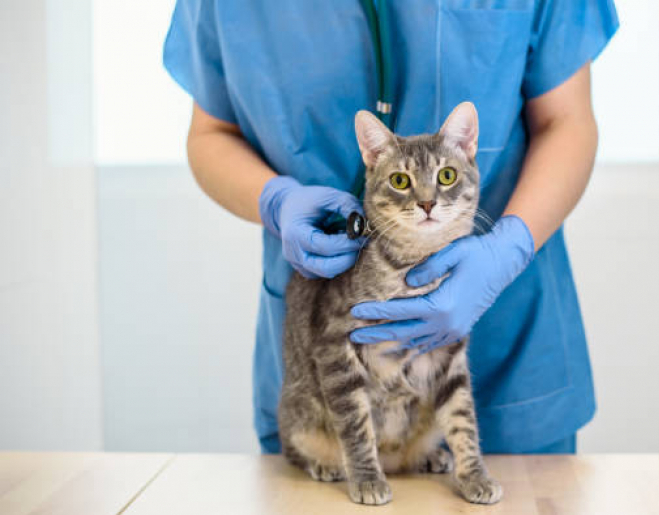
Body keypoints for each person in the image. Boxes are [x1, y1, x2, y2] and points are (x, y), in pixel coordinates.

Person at [163, 0, 618, 454]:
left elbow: (566, 120)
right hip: (331, 366)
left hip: (508, 351)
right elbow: (211, 133)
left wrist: (510, 245)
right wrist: (275, 201)